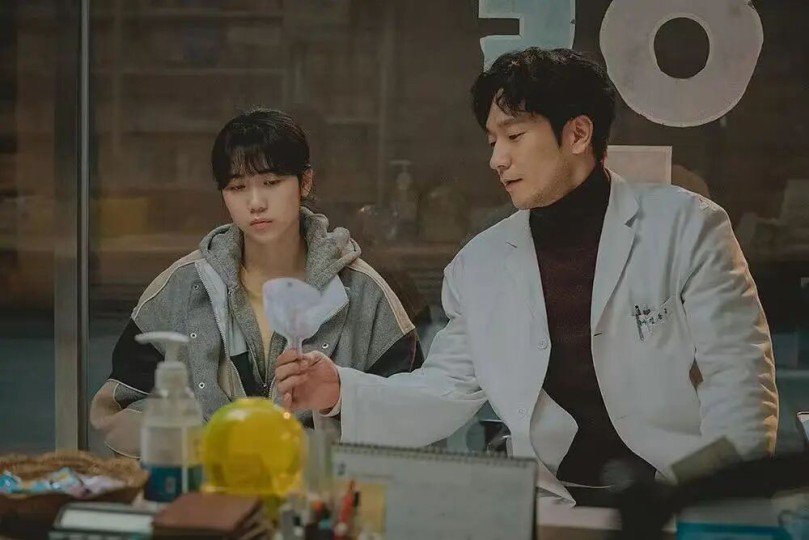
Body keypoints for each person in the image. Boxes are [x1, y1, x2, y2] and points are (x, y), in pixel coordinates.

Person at [273, 48, 779, 505]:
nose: (497, 159)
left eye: (514, 136)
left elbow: (738, 382)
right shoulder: (480, 265)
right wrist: (340, 389)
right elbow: (446, 387)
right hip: (552, 504)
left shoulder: (687, 228)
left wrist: (725, 510)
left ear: (578, 134)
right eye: (493, 140)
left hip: (679, 501)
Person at [90, 108, 422, 458]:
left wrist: (328, 417)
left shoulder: (366, 294)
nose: (255, 203)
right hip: (206, 488)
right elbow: (117, 409)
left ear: (305, 182)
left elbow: (414, 421)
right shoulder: (182, 287)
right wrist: (197, 446)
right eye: (237, 187)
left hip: (321, 489)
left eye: (271, 183)